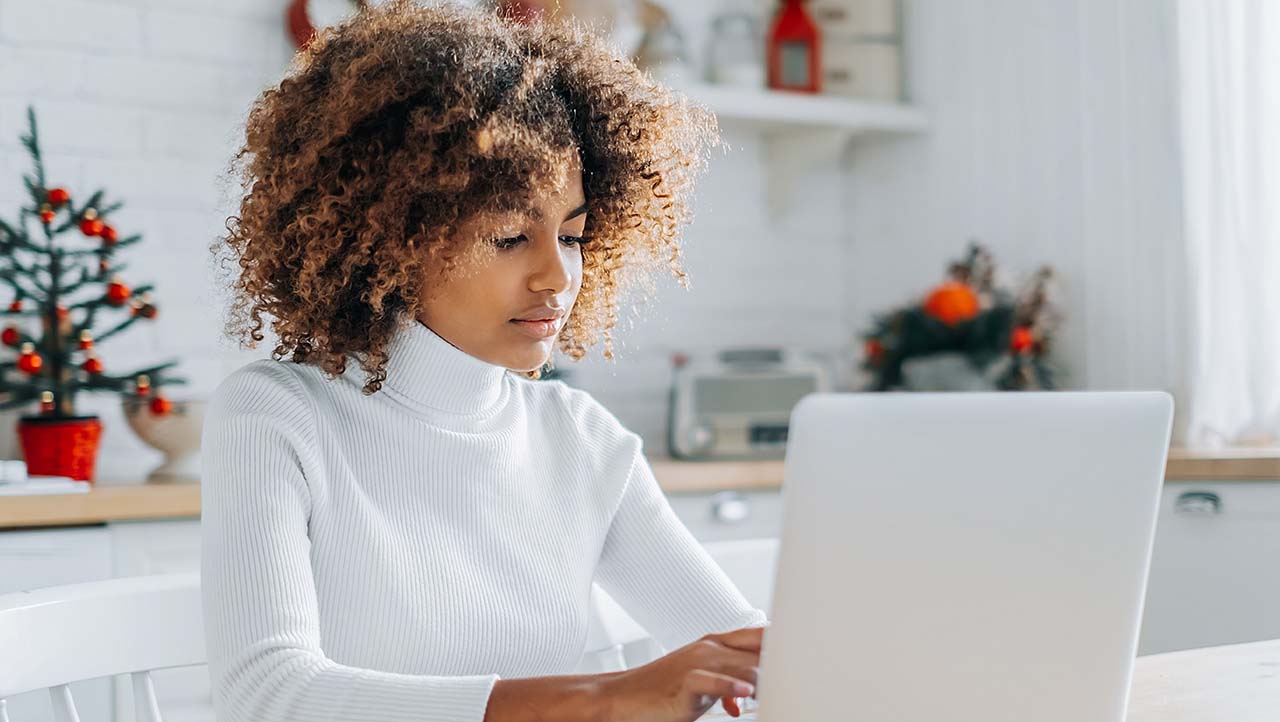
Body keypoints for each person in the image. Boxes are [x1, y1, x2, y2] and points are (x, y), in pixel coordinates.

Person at [202, 2, 767, 721]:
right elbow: (269, 696)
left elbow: (735, 649)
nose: (557, 278)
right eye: (509, 237)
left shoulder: (578, 438)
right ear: (392, 240)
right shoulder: (277, 415)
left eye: (573, 236)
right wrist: (605, 699)